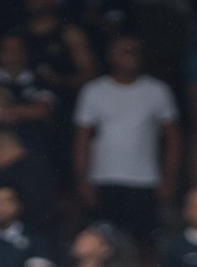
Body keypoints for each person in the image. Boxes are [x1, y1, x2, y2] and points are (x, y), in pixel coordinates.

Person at [73, 36, 179, 246]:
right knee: (102, 244)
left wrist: (169, 177)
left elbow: (174, 138)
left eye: (135, 51)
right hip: (103, 178)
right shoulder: (93, 91)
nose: (130, 55)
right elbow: (81, 140)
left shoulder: (157, 91)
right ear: (111, 56)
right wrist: (82, 179)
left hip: (145, 180)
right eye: (124, 50)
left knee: (146, 246)